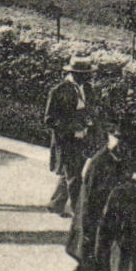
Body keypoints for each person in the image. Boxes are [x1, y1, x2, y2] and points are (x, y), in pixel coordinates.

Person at [51, 117, 136, 271]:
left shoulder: (120, 161)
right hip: (93, 224)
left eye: (124, 140)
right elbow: (88, 202)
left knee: (105, 263)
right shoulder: (99, 163)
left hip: (108, 223)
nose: (121, 144)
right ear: (110, 139)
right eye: (117, 139)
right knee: (89, 266)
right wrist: (89, 231)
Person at [44, 55, 97, 216]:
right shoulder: (59, 91)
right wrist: (71, 129)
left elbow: (90, 109)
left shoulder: (87, 89)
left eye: (88, 73)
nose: (87, 77)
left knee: (72, 172)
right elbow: (49, 119)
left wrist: (89, 123)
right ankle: (78, 211)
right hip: (66, 140)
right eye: (83, 74)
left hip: (83, 139)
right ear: (74, 73)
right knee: (74, 177)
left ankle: (56, 203)